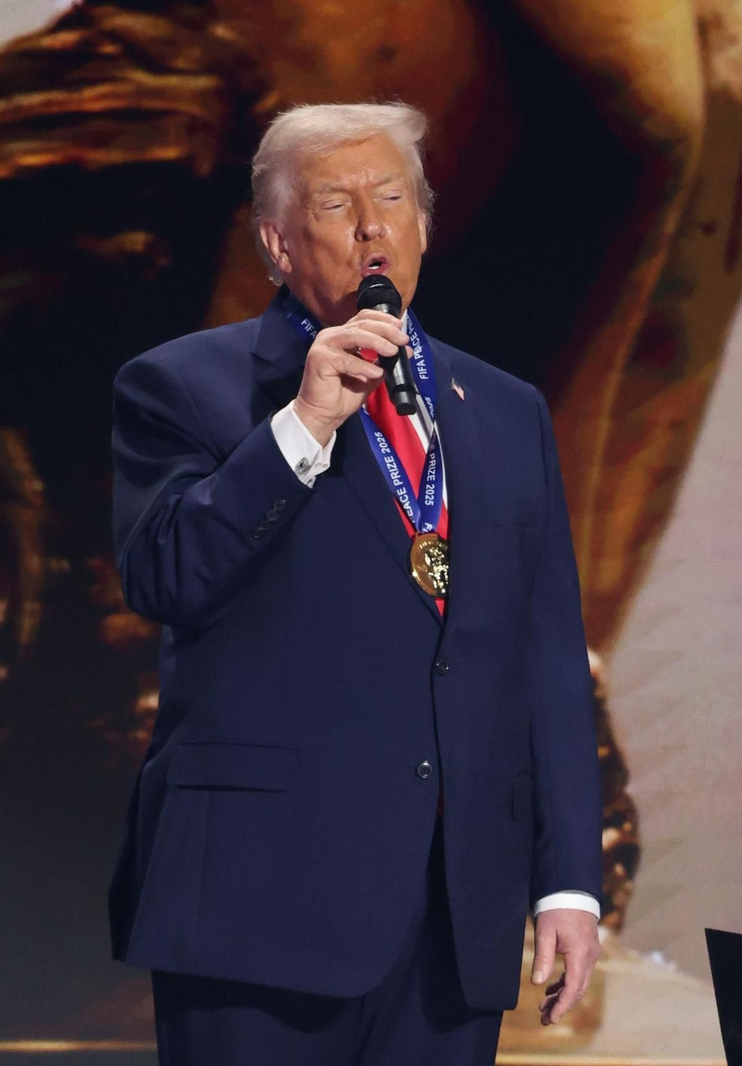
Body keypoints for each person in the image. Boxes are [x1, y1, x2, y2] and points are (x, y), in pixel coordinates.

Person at [108, 102, 603, 1065]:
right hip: (260, 908)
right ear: (277, 242)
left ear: (423, 225)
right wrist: (301, 426)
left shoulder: (505, 411)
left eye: (392, 198)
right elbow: (166, 574)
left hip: (453, 918)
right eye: (337, 204)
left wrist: (567, 883)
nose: (372, 225)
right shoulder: (182, 387)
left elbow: (542, 660)